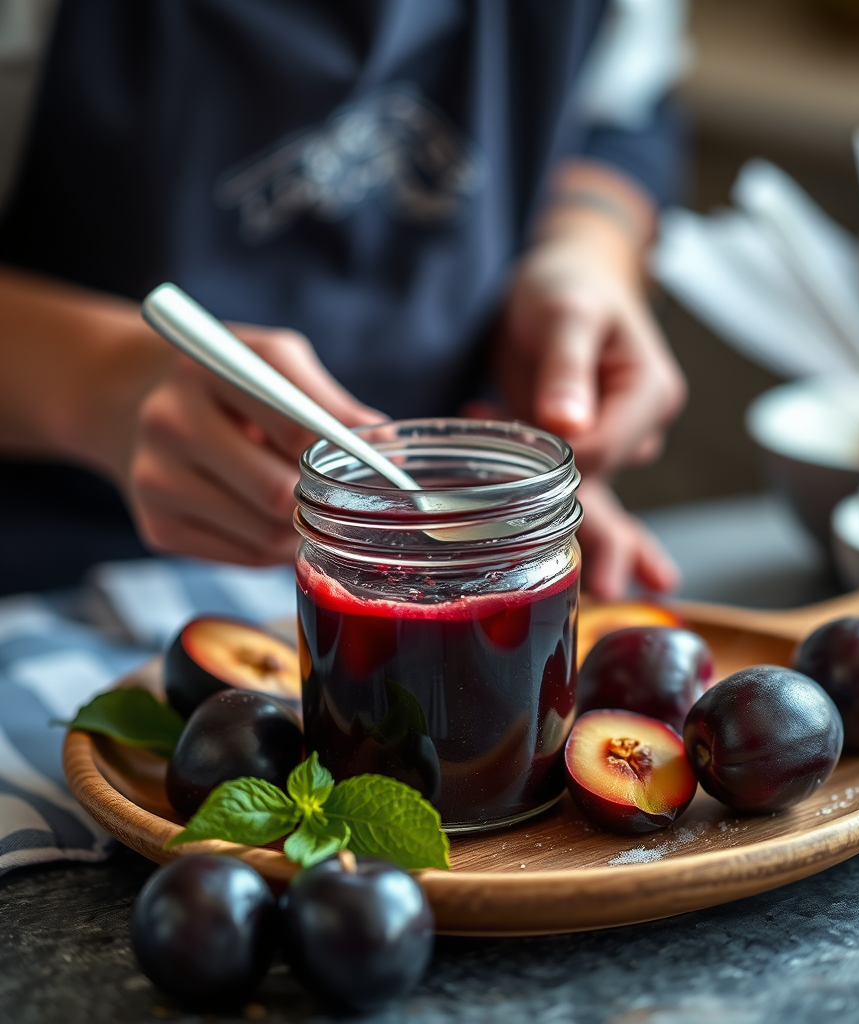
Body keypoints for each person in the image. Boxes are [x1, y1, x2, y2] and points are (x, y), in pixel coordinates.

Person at [0, 0, 689, 599]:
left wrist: (586, 251)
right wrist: (100, 383)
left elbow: (619, 114)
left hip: (433, 506)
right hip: (49, 557)